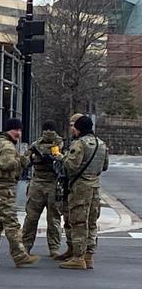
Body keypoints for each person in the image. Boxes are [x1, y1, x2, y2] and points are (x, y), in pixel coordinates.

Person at [0, 118, 41, 268]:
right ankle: (20, 255)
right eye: (16, 130)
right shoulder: (7, 146)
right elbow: (7, 164)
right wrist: (22, 160)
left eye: (20, 131)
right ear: (9, 130)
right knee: (11, 223)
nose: (19, 134)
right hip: (2, 188)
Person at [58, 114, 108, 270]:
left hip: (80, 188)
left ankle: (78, 257)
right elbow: (104, 166)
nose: (73, 129)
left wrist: (62, 157)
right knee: (92, 222)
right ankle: (89, 256)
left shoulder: (79, 144)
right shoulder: (101, 144)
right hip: (95, 187)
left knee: (79, 222)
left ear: (79, 128)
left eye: (74, 127)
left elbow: (71, 165)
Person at [23, 120, 65, 258]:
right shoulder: (36, 145)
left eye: (50, 129)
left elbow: (67, 162)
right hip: (38, 183)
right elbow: (25, 161)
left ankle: (54, 248)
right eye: (46, 129)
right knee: (31, 218)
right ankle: (26, 246)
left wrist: (57, 159)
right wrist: (34, 157)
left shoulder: (61, 144)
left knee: (53, 219)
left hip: (54, 183)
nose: (48, 132)